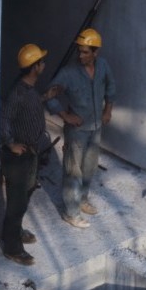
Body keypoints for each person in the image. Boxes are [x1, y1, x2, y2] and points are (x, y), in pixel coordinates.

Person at [0, 42, 60, 266]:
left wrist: (45, 97)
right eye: (41, 62)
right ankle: (13, 248)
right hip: (19, 158)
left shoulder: (29, 89)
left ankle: (14, 231)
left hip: (32, 153)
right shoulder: (18, 93)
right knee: (17, 203)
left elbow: (27, 108)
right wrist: (10, 144)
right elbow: (4, 118)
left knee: (26, 194)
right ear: (35, 67)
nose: (44, 64)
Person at [47, 28, 115, 228]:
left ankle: (82, 200)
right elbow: (49, 96)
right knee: (73, 172)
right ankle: (71, 212)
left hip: (95, 128)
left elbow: (111, 88)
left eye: (85, 52)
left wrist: (108, 111)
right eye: (79, 51)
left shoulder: (102, 66)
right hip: (76, 132)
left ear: (96, 53)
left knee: (89, 168)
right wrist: (65, 115)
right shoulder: (68, 73)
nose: (80, 55)